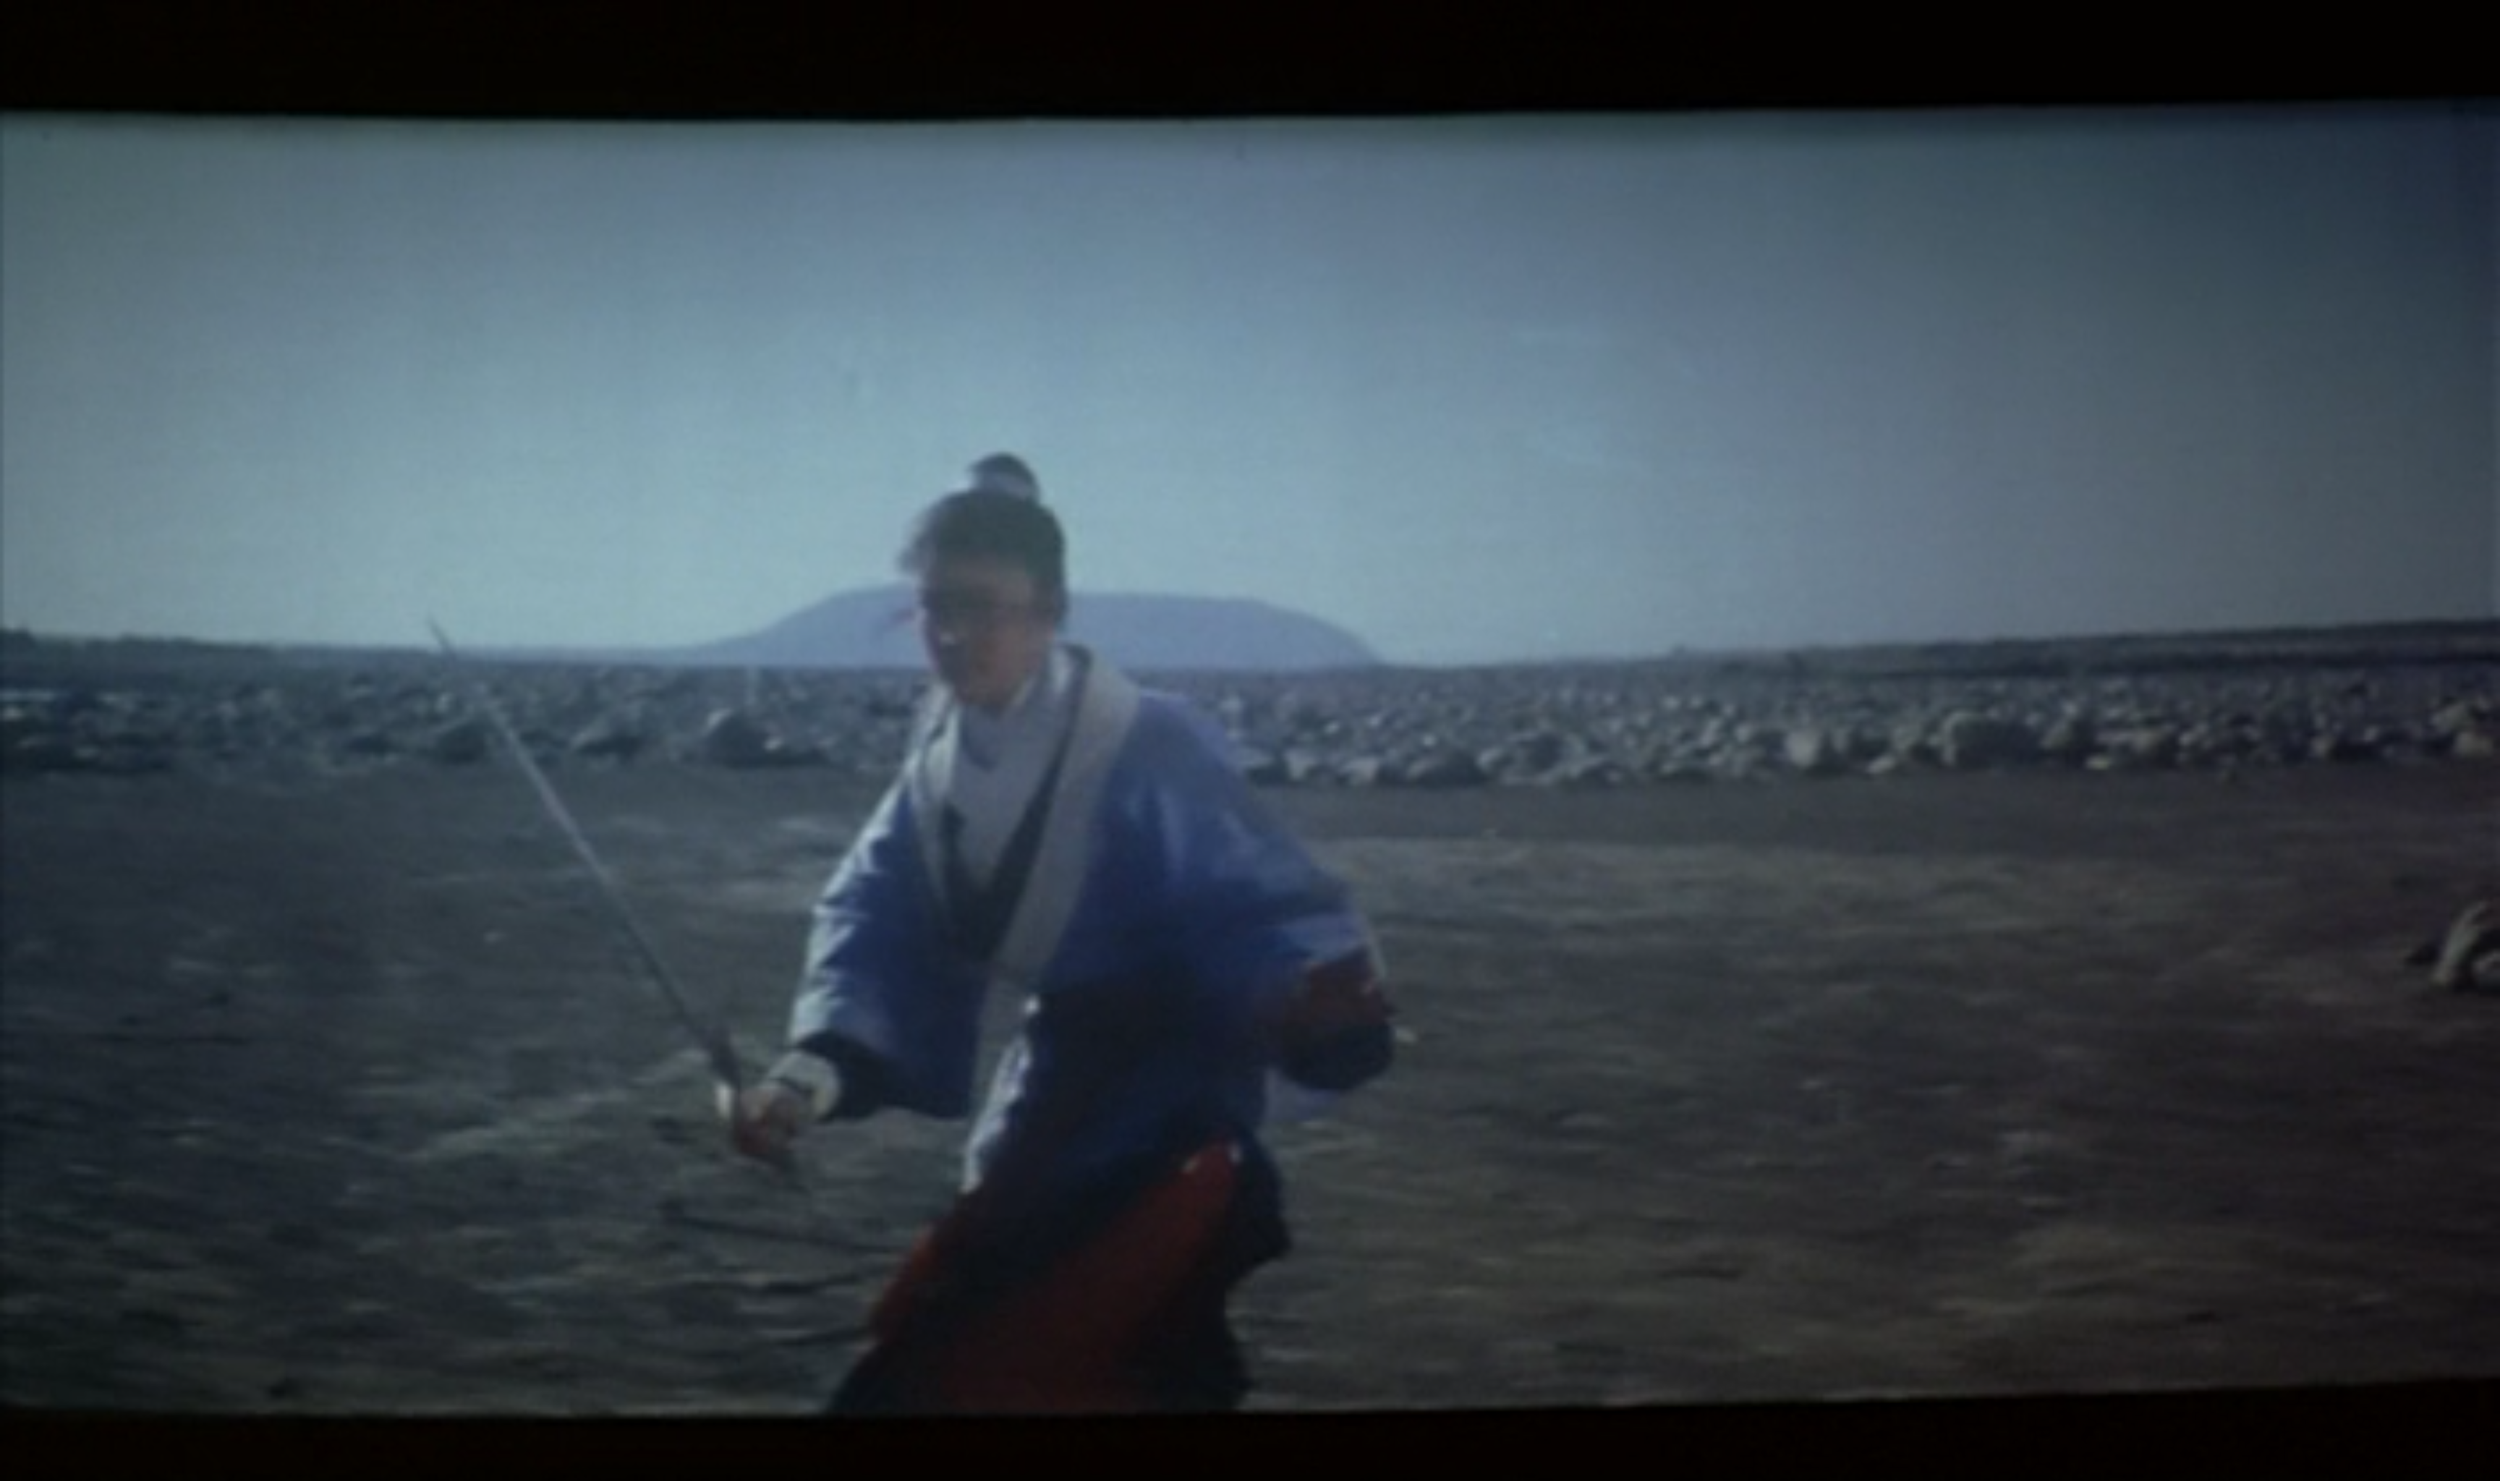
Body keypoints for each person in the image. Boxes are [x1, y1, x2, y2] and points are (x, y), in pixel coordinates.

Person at [726, 453, 1396, 1414]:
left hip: (1174, 1110)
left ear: (1049, 611)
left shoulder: (1148, 739)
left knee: (1053, 1357)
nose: (953, 635)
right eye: (935, 607)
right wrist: (810, 1078)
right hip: (1054, 1094)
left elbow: (1254, 901)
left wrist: (1312, 998)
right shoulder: (938, 765)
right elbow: (876, 921)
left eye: (982, 608)